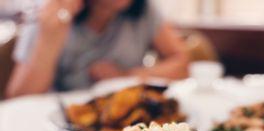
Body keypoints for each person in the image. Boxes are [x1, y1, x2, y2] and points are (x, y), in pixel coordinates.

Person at [6, 0, 189, 97]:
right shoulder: (50, 10)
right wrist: (50, 38)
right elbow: (20, 98)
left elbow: (181, 64)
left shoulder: (144, 9)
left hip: (126, 128)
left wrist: (124, 77)